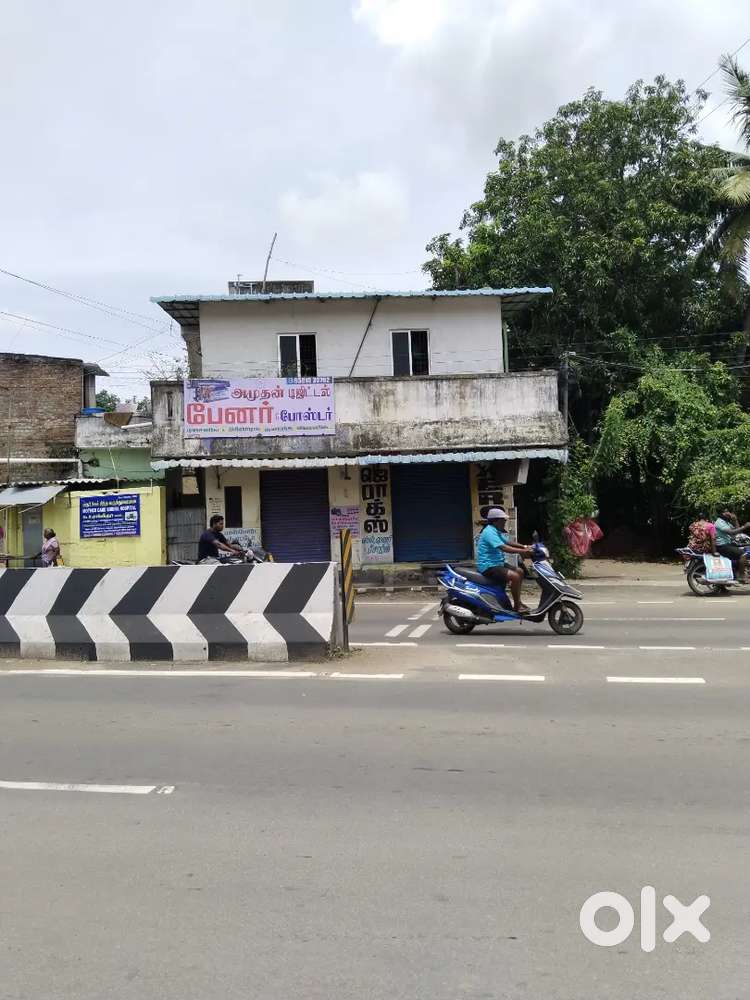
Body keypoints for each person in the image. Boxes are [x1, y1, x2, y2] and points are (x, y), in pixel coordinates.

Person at [476, 507, 534, 614]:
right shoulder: (489, 532)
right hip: (488, 566)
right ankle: (517, 606)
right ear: (496, 521)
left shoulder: (496, 531)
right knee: (515, 576)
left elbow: (508, 542)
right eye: (503, 520)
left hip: (497, 563)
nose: (505, 522)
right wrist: (522, 551)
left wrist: (525, 546)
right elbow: (504, 548)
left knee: (520, 571)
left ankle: (518, 601)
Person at [713, 509, 750, 583]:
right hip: (723, 546)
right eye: (727, 511)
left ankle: (736, 572)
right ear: (722, 513)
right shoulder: (719, 522)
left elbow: (737, 531)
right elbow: (731, 532)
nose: (729, 513)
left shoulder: (726, 522)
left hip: (728, 544)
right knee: (743, 554)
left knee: (747, 548)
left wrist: (735, 520)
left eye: (729, 511)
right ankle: (741, 575)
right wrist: (745, 526)